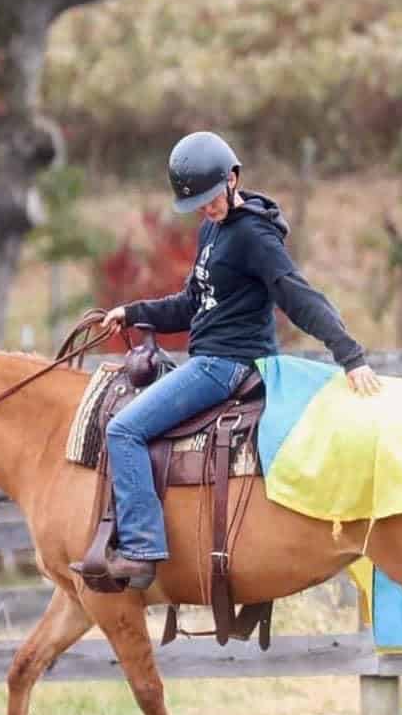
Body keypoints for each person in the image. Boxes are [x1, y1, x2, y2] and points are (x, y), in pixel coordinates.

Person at [91, 130, 381, 589]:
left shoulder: (252, 236)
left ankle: (142, 546)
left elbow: (298, 296)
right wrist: (134, 312)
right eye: (198, 205)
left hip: (226, 364)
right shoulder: (213, 229)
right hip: (206, 356)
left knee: (122, 429)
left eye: (210, 199)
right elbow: (192, 303)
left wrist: (350, 355)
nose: (206, 210)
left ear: (233, 179)